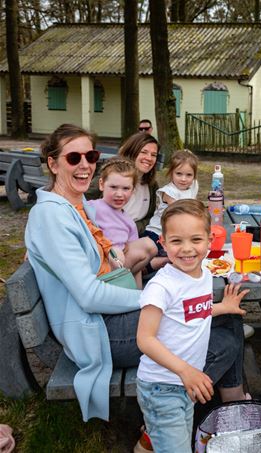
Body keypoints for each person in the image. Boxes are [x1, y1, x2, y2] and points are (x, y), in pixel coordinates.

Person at [24, 124, 141, 422]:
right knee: (201, 321)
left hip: (103, 319)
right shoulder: (52, 215)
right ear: (53, 163)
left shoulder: (77, 205)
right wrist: (149, 297)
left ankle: (231, 407)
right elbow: (88, 296)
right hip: (93, 333)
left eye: (90, 156)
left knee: (207, 315)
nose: (85, 165)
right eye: (73, 158)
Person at [136, 199, 249, 452]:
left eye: (195, 240)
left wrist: (223, 308)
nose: (187, 249)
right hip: (162, 387)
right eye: (177, 241)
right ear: (163, 244)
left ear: (210, 241)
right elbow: (145, 339)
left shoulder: (203, 275)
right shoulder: (161, 286)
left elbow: (191, 311)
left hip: (185, 383)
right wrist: (186, 371)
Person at [88, 158, 156, 288]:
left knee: (149, 245)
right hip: (100, 261)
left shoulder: (128, 221)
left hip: (121, 264)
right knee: (116, 253)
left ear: (133, 190)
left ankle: (134, 292)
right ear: (101, 185)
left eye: (126, 188)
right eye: (113, 187)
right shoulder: (92, 207)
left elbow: (134, 252)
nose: (119, 194)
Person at [142, 149, 200, 272]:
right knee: (147, 262)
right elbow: (180, 213)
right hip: (157, 232)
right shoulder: (168, 192)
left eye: (189, 175)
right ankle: (164, 262)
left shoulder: (193, 185)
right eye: (179, 174)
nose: (184, 179)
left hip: (178, 232)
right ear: (171, 173)